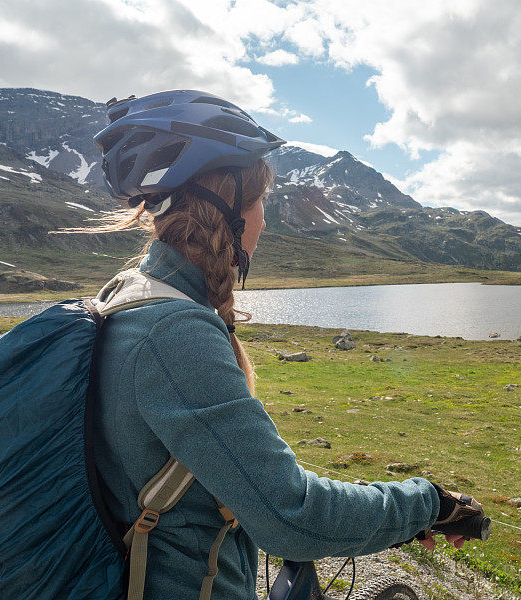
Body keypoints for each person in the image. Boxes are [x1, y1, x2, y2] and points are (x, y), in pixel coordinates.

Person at [82, 90, 484, 598]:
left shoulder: (128, 294)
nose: (264, 221)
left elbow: (234, 480)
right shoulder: (173, 334)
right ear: (223, 203)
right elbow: (290, 516)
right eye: (259, 202)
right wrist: (429, 503)